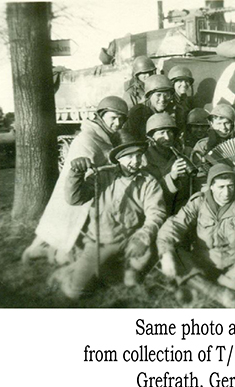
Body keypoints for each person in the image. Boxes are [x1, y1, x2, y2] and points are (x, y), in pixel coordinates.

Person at [49, 141, 166, 299]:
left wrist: (143, 236)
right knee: (75, 292)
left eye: (138, 156)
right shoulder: (102, 176)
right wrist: (76, 172)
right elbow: (74, 199)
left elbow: (156, 213)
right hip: (101, 240)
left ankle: (126, 272)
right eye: (130, 156)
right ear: (119, 159)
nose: (136, 161)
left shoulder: (148, 182)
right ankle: (68, 272)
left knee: (136, 271)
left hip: (130, 240)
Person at [22, 96, 129, 266]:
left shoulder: (107, 137)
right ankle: (48, 251)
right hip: (79, 193)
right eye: (113, 118)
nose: (117, 123)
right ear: (101, 116)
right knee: (67, 230)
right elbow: (83, 174)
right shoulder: (87, 139)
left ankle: (52, 251)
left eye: (121, 119)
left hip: (94, 194)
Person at [157, 163, 235, 308]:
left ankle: (204, 287)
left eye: (230, 186)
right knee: (174, 253)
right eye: (221, 187)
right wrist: (166, 253)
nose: (226, 193)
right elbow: (175, 225)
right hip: (204, 260)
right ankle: (221, 293)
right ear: (211, 186)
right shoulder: (199, 202)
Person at [143, 112, 193, 215]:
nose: (167, 137)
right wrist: (171, 177)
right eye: (161, 133)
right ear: (151, 137)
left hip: (184, 210)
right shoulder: (144, 159)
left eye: (169, 132)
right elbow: (149, 195)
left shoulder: (183, 152)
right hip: (158, 210)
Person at [124, 74, 176, 140]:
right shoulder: (138, 112)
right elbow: (128, 137)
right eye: (158, 95)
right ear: (149, 96)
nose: (162, 99)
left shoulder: (174, 109)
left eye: (166, 95)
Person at [168, 65, 195, 133]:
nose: (184, 84)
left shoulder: (185, 99)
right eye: (180, 81)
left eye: (187, 81)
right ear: (172, 83)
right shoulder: (169, 101)